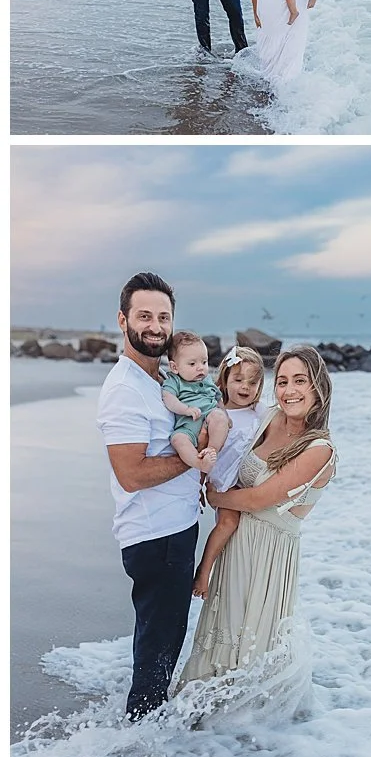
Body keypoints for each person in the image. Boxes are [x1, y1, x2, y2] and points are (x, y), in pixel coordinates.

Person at [177, 346, 337, 694]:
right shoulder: (269, 417)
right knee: (217, 643)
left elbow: (257, 498)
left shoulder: (319, 450)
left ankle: (246, 727)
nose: (289, 390)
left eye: (300, 381)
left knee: (249, 655)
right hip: (235, 544)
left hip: (268, 556)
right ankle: (195, 719)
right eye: (282, 381)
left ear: (318, 387)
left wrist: (214, 498)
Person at [96, 272, 201, 720]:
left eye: (163, 317)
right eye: (144, 316)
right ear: (123, 320)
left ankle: (145, 722)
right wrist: (195, 460)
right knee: (159, 647)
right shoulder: (125, 389)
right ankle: (140, 740)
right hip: (156, 537)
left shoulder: (161, 379)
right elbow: (132, 473)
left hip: (174, 529)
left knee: (162, 640)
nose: (156, 326)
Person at [194, 345, 269, 598]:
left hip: (250, 479)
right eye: (238, 380)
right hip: (225, 481)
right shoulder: (217, 413)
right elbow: (203, 450)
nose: (245, 387)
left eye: (253, 382)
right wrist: (199, 484)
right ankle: (204, 571)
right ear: (225, 380)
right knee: (228, 522)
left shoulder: (259, 411)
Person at [161, 331, 229, 474]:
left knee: (219, 417)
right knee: (177, 439)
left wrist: (225, 415)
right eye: (192, 364)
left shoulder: (207, 380)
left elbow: (218, 398)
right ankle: (199, 463)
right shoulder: (175, 381)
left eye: (204, 362)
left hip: (210, 417)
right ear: (175, 367)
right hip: (187, 427)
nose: (200, 368)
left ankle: (211, 450)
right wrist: (185, 409)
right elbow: (168, 398)